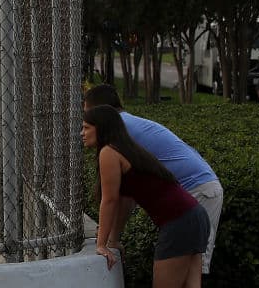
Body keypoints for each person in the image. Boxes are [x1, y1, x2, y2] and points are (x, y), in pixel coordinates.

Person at [83, 105, 210, 288]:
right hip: (194, 214)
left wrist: (101, 244)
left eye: (86, 127)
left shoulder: (108, 152)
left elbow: (110, 200)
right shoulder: (127, 149)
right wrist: (113, 239)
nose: (82, 133)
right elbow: (125, 200)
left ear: (101, 128)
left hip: (179, 222)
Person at [82, 85, 222, 277]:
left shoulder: (118, 136)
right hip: (199, 191)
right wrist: (113, 239)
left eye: (87, 117)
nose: (83, 127)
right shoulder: (126, 126)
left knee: (186, 280)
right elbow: (127, 193)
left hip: (197, 193)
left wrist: (107, 241)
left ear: (101, 113)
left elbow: (115, 198)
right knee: (186, 282)